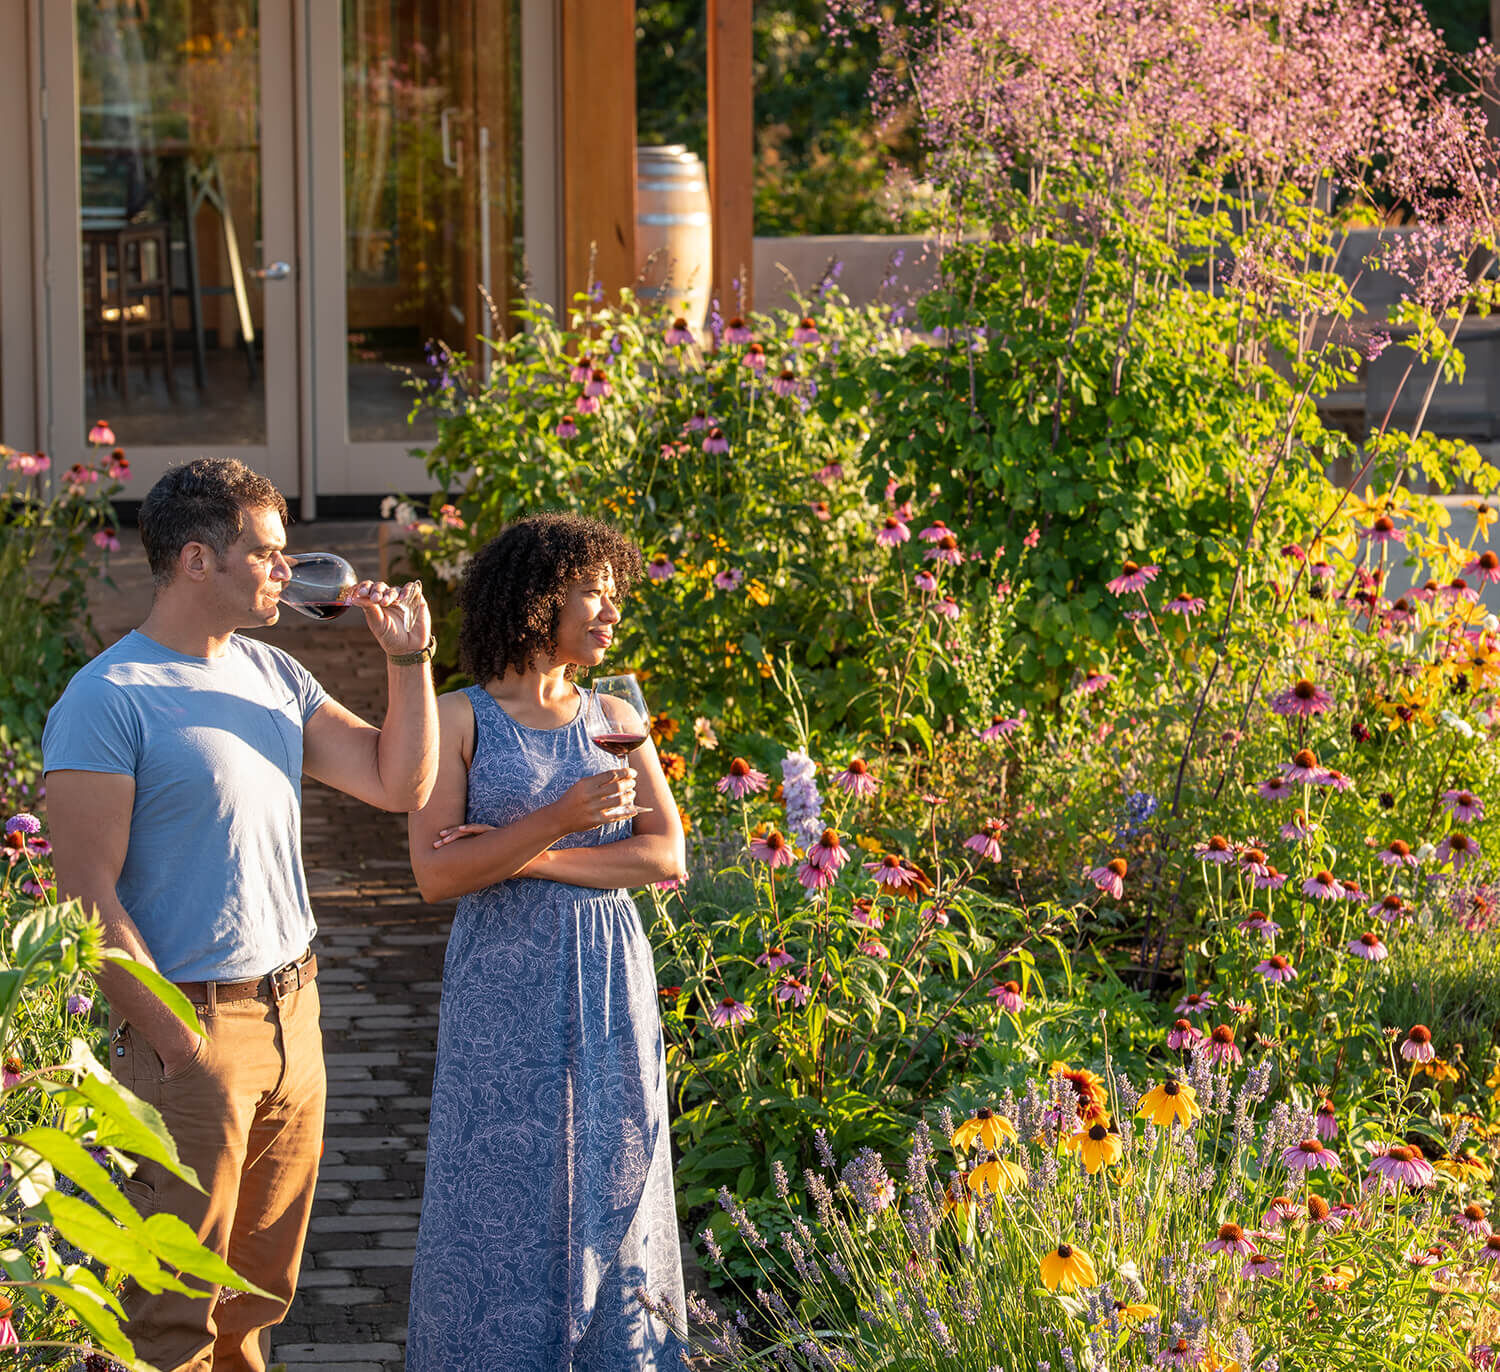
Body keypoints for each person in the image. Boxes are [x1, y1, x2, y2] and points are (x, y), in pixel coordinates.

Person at [42, 458, 439, 1372]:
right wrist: (181, 1043)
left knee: (256, 1302)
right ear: (194, 560)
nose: (286, 572)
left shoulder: (273, 672)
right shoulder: (106, 700)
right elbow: (84, 897)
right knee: (169, 1312)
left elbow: (397, 782)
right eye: (266, 554)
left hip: (292, 1016)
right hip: (193, 1024)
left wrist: (408, 661)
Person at [405, 513, 688, 1370]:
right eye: (593, 595)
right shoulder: (454, 718)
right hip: (502, 982)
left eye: (614, 596)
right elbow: (436, 875)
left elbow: (664, 852)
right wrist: (557, 822)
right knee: (500, 1179)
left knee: (612, 1160)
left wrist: (528, 853)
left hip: (606, 973)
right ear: (538, 601)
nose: (610, 613)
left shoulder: (613, 712)